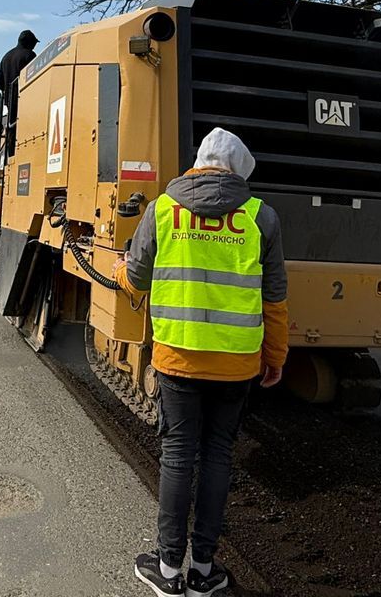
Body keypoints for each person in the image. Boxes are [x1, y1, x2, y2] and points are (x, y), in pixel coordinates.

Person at [113, 128, 288, 597]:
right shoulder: (261, 217)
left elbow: (137, 278)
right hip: (236, 364)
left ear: (199, 163)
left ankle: (168, 570)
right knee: (217, 456)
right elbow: (274, 299)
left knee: (177, 456)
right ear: (239, 172)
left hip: (179, 358)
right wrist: (275, 356)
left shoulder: (163, 209)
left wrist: (119, 269)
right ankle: (203, 571)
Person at [0, 29, 40, 157]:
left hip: (10, 100)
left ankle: (10, 155)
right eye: (34, 43)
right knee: (26, 128)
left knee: (11, 128)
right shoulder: (29, 55)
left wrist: (7, 91)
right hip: (24, 100)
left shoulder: (6, 57)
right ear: (29, 43)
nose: (34, 46)